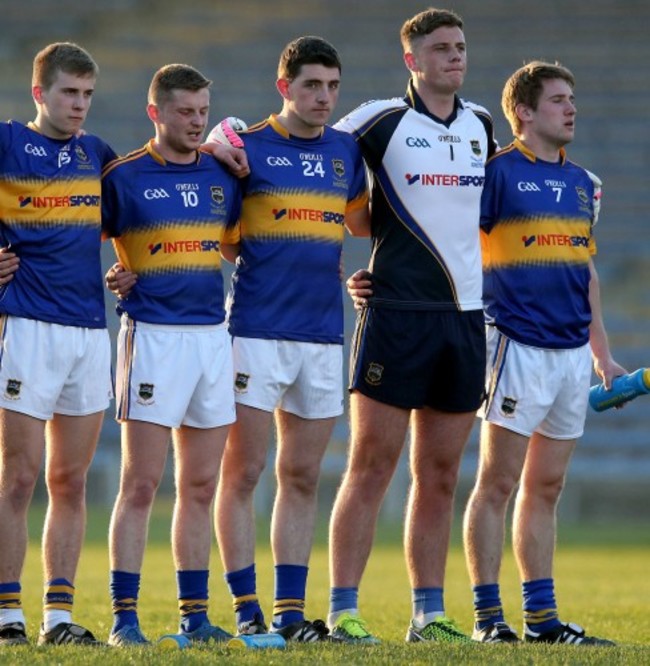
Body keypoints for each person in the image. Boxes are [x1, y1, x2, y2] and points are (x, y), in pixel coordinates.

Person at [326, 8, 497, 644]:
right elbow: (310, 146)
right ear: (412, 60)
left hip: (464, 321)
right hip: (395, 316)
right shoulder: (379, 120)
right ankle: (343, 610)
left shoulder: (481, 123)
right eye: (442, 48)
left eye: (460, 47)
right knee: (370, 465)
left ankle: (429, 614)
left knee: (442, 475)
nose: (455, 57)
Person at [209, 36, 370, 643]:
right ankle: (246, 607)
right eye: (311, 86)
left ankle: (290, 614)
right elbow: (221, 236)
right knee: (243, 472)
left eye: (332, 86)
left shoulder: (346, 153)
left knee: (301, 476)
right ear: (285, 87)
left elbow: (357, 224)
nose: (324, 97)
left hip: (324, 333)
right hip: (255, 330)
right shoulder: (242, 149)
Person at [462, 60, 623, 646]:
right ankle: (486, 619)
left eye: (572, 97)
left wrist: (601, 353)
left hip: (569, 356)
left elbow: (586, 271)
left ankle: (542, 621)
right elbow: (455, 245)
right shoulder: (496, 174)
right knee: (497, 483)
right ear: (524, 112)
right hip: (514, 344)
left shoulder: (584, 182)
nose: (571, 108)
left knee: (546, 489)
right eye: (558, 99)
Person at [101, 64, 242, 646]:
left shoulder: (222, 173)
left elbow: (235, 245)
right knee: (140, 484)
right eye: (184, 111)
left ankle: (195, 616)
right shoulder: (124, 177)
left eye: (203, 110)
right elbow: (72, 238)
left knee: (202, 486)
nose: (196, 121)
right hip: (153, 337)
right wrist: (115, 275)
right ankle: (123, 619)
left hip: (213, 337)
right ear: (155, 112)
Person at [0, 42, 115, 648]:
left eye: (88, 94)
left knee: (69, 481)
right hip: (26, 327)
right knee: (18, 478)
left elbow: (140, 217)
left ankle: (59, 618)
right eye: (69, 93)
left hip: (88, 334)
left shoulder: (98, 155)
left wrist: (126, 269)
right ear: (40, 92)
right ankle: (5, 615)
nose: (79, 105)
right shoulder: (7, 142)